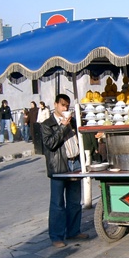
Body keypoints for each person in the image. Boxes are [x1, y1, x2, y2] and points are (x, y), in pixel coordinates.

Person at [41, 93, 88, 248]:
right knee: (57, 203)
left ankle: (73, 230)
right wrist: (62, 127)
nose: (65, 108)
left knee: (74, 201)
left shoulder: (73, 121)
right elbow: (50, 144)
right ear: (55, 105)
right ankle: (56, 236)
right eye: (62, 105)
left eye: (67, 105)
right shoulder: (47, 124)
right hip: (59, 166)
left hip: (75, 163)